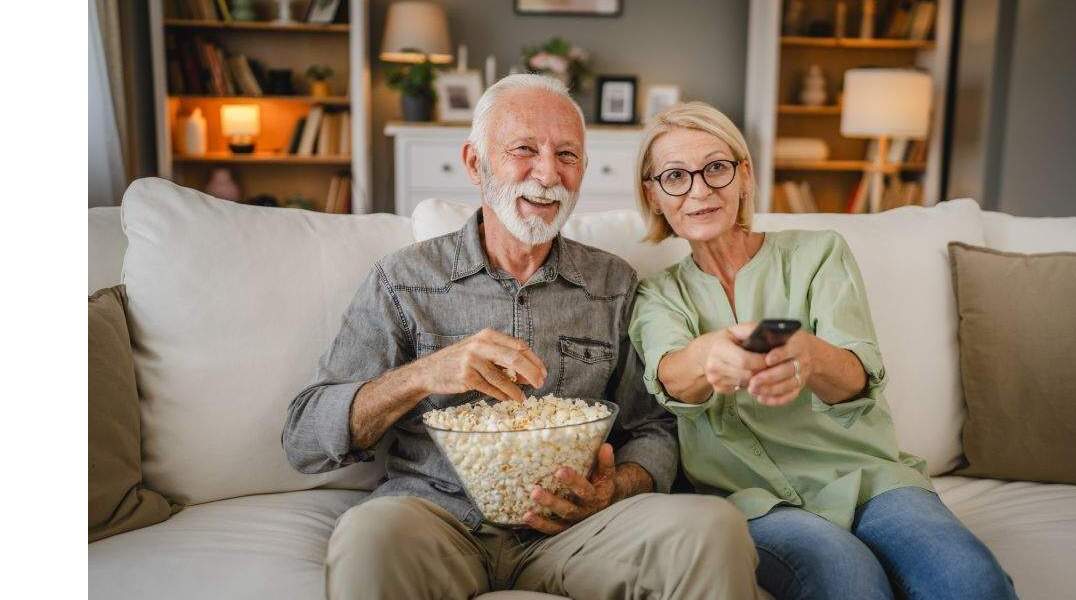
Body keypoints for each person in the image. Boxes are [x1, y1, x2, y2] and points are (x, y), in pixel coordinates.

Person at [281, 77, 760, 600]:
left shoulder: (612, 285)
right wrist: (424, 375)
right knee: (369, 536)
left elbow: (654, 427)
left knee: (713, 527)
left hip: (578, 533)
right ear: (474, 163)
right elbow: (305, 437)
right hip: (437, 520)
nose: (548, 173)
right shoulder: (404, 279)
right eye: (524, 150)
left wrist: (612, 488)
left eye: (568, 155)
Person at [628, 101, 1017, 600]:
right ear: (653, 194)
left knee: (973, 583)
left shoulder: (818, 254)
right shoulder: (656, 294)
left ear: (744, 176)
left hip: (869, 480)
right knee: (852, 585)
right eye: (675, 176)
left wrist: (810, 356)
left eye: (716, 168)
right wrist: (709, 357)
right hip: (753, 503)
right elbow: (671, 374)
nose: (699, 190)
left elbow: (857, 376)